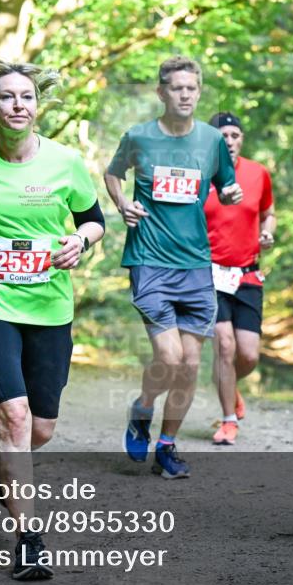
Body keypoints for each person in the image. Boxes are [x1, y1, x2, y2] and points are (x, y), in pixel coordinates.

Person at [0, 59, 105, 580]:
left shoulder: (66, 163)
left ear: (37, 105)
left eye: (26, 97)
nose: (17, 105)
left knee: (42, 429)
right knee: (14, 416)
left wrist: (79, 242)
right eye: (6, 96)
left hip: (49, 306)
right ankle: (29, 539)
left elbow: (94, 221)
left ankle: (1, 455)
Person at [105, 56, 243, 478]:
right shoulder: (139, 137)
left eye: (192, 88)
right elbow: (113, 175)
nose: (185, 95)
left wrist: (232, 193)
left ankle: (167, 446)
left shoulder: (210, 141)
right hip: (149, 261)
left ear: (199, 92)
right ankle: (142, 409)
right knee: (168, 355)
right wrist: (123, 203)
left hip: (196, 265)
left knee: (190, 365)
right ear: (161, 92)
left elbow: (226, 184)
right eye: (176, 88)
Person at [203, 112, 275, 445]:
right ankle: (229, 420)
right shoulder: (202, 175)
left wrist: (268, 232)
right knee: (225, 346)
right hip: (210, 274)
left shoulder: (258, 173)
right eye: (223, 136)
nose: (229, 141)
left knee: (247, 354)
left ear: (241, 139)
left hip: (247, 274)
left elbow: (268, 213)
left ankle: (229, 386)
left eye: (235, 135)